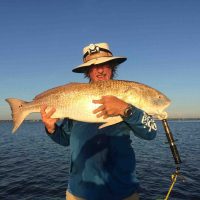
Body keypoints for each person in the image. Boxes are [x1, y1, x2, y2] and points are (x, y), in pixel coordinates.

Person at [40, 43, 157, 200]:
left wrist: (125, 110)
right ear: (88, 71)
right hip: (79, 193)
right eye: (94, 66)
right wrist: (51, 128)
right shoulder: (73, 99)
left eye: (105, 65)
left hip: (123, 193)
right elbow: (65, 139)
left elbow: (150, 133)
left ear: (112, 68)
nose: (100, 70)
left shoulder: (128, 95)